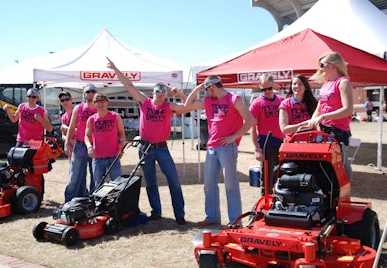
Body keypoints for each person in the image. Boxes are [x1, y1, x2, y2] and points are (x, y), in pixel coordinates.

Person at [107, 58, 191, 225]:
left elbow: (188, 106)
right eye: (157, 92)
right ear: (153, 93)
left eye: (162, 92)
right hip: (145, 148)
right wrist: (115, 69)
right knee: (151, 182)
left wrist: (179, 93)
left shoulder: (169, 107)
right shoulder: (145, 102)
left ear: (165, 95)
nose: (159, 94)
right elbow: (129, 86)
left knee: (173, 180)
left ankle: (179, 214)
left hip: (161, 148)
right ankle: (156, 211)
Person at [184, 75, 254, 227]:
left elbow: (251, 120)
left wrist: (234, 137)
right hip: (211, 147)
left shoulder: (234, 99)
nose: (207, 93)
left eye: (208, 90)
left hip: (227, 148)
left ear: (212, 87)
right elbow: (187, 105)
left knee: (230, 184)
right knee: (209, 184)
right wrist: (197, 88)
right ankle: (212, 217)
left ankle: (235, 221)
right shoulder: (209, 101)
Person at [307, 51, 354, 178]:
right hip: (323, 131)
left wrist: (324, 117)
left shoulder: (343, 82)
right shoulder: (326, 84)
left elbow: (348, 109)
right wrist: (310, 124)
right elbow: (319, 107)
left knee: (339, 168)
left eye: (322, 64)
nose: (320, 68)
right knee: (323, 167)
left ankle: (342, 195)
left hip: (338, 132)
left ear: (333, 65)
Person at [249, 74, 285, 195]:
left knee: (283, 175)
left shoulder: (281, 100)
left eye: (269, 88)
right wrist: (256, 149)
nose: (267, 92)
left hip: (282, 143)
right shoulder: (257, 103)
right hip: (266, 143)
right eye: (264, 89)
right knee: (267, 179)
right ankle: (266, 203)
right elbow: (252, 128)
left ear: (273, 85)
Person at [85, 93, 126, 192]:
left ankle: (117, 206)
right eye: (97, 101)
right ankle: (100, 206)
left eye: (102, 100)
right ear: (94, 104)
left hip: (114, 156)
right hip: (98, 158)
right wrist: (89, 147)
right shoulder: (91, 119)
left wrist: (121, 148)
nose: (100, 103)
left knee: (117, 185)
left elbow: (121, 134)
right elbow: (87, 136)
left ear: (107, 102)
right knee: (98, 185)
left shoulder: (115, 116)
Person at [63, 84, 98, 202]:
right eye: (88, 91)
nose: (90, 93)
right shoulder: (78, 108)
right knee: (74, 177)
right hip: (80, 146)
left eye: (93, 91)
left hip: (96, 147)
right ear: (84, 94)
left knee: (96, 178)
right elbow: (71, 127)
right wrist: (66, 143)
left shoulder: (100, 108)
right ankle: (68, 203)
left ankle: (94, 204)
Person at [279, 74, 318, 141]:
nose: (297, 86)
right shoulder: (285, 104)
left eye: (300, 84)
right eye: (294, 84)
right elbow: (284, 129)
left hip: (311, 143)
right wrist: (304, 124)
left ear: (305, 87)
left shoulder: (314, 103)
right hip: (292, 144)